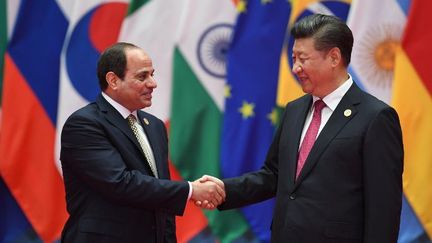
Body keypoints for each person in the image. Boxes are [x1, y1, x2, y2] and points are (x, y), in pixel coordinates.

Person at [200, 14, 403, 242]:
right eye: (293, 57)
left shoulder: (375, 117)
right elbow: (274, 176)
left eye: (302, 59)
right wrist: (223, 190)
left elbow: (383, 207)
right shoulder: (294, 110)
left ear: (334, 57)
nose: (295, 68)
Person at [60, 42, 224, 243]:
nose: (153, 83)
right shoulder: (84, 124)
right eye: (142, 76)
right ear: (113, 80)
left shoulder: (154, 125)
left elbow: (159, 193)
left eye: (152, 74)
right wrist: (190, 190)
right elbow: (120, 183)